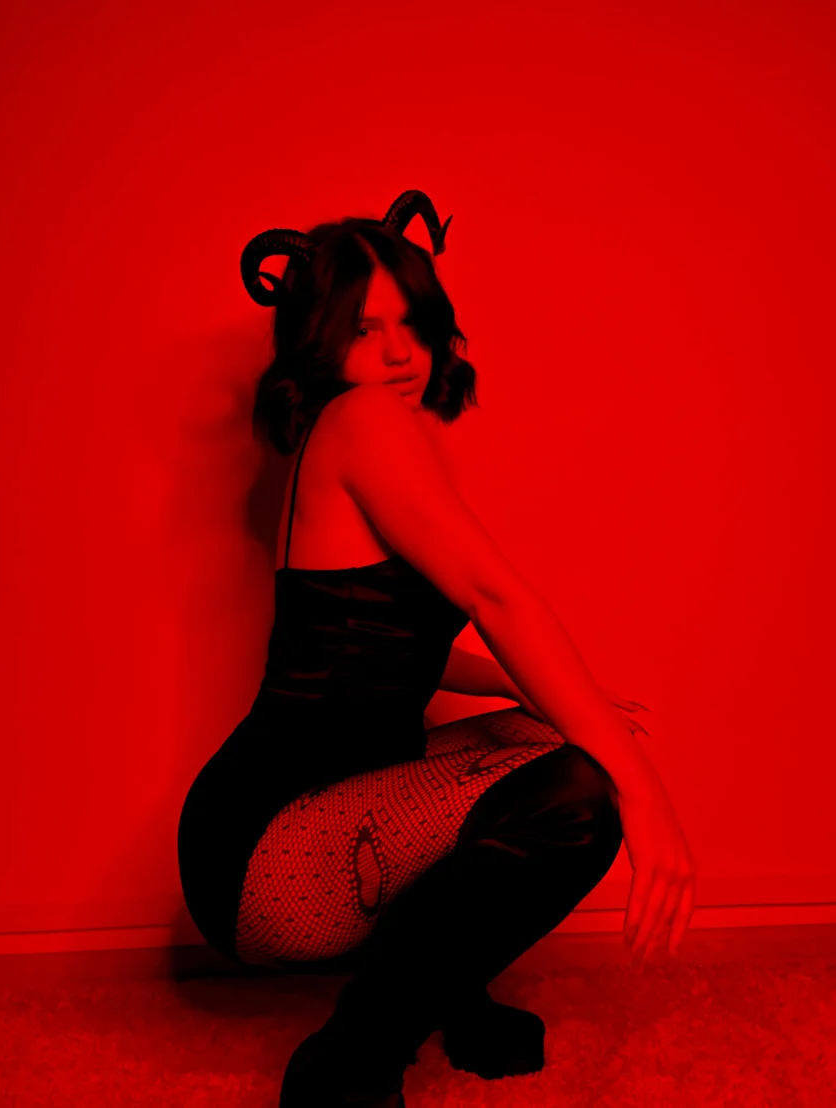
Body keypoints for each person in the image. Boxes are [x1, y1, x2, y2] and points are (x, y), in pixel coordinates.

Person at [177, 189, 696, 1108]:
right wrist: (645, 791)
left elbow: (371, 646)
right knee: (583, 794)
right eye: (364, 328)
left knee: (551, 736)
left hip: (284, 816)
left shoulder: (357, 437)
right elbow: (495, 596)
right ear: (319, 341)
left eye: (413, 323)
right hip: (266, 845)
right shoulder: (366, 423)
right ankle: (348, 1063)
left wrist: (524, 691)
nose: (399, 352)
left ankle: (446, 989)